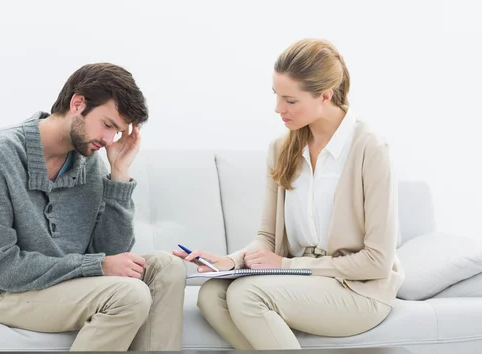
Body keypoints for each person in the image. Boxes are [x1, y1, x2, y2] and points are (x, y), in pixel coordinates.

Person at [173, 38, 405, 349]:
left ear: (325, 95)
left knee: (248, 295)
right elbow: (267, 237)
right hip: (303, 280)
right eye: (276, 96)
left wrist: (285, 266)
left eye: (290, 101)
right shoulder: (282, 148)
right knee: (212, 294)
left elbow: (376, 262)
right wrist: (229, 261)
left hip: (359, 290)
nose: (278, 109)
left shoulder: (370, 148)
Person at [0, 63, 187, 351]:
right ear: (77, 103)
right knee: (130, 295)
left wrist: (119, 173)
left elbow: (110, 252)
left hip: (60, 283)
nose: (109, 140)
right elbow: (2, 269)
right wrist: (97, 265)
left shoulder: (90, 164)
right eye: (108, 125)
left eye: (118, 132)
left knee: (167, 268)